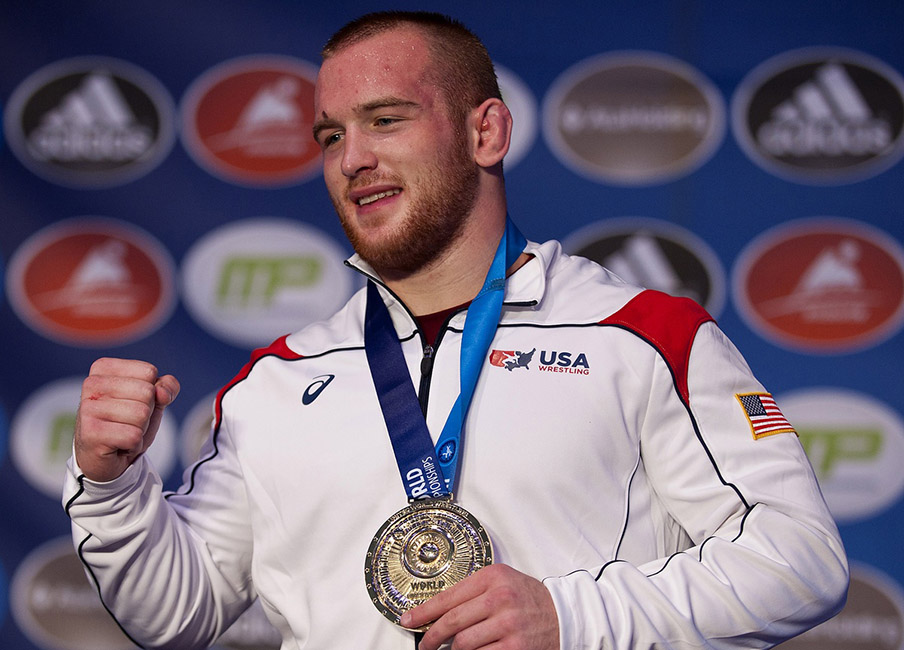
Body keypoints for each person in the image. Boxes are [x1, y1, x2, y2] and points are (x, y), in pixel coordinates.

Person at [65, 10, 849, 650]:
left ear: (488, 134)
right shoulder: (275, 381)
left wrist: (570, 618)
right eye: (331, 135)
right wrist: (110, 486)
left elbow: (800, 561)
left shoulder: (644, 335)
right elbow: (175, 611)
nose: (353, 159)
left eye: (386, 120)